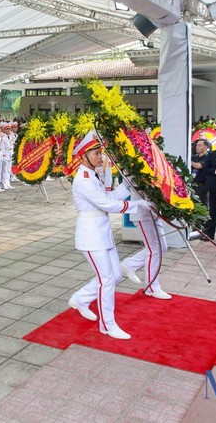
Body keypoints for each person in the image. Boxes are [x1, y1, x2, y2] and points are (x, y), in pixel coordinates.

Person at [67, 131, 150, 340]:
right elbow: (107, 204)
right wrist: (135, 204)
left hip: (102, 233)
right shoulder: (83, 180)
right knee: (106, 280)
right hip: (91, 235)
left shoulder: (93, 175)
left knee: (116, 276)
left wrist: (126, 184)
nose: (101, 157)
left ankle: (80, 299)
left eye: (100, 153)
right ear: (84, 156)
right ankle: (108, 325)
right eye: (96, 153)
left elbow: (110, 196)